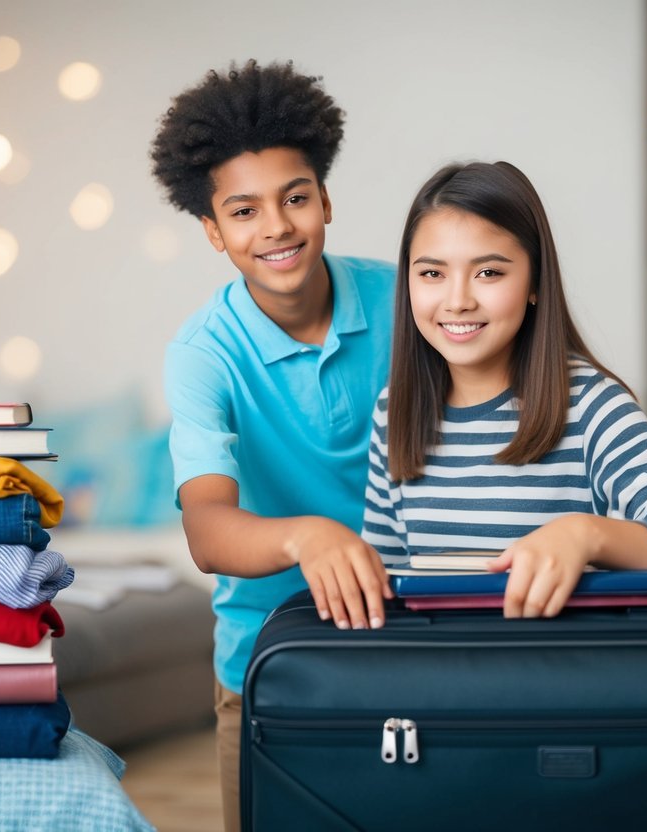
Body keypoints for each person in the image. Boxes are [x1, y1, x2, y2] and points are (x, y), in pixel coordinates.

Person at [149, 60, 394, 831]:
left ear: (324, 198)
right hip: (267, 663)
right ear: (214, 233)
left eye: (294, 198)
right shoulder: (202, 353)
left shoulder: (410, 300)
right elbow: (207, 529)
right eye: (244, 211)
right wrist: (304, 535)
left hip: (413, 639)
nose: (277, 228)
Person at [362, 161, 647, 617]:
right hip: (443, 674)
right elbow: (385, 582)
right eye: (432, 274)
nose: (457, 300)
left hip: (564, 674)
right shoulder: (393, 410)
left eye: (489, 273)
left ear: (535, 282)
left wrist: (585, 534)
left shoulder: (592, 406)